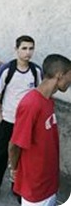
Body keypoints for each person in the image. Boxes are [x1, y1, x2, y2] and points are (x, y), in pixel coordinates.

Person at [0, 35, 42, 204]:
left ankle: (18, 188)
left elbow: (39, 96)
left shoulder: (36, 71)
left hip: (27, 123)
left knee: (22, 158)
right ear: (16, 49)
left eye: (31, 48)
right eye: (24, 48)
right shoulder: (7, 70)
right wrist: (0, 116)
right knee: (0, 156)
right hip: (7, 120)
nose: (28, 52)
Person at [9, 54, 71, 206]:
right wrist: (15, 170)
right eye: (70, 76)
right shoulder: (31, 104)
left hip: (49, 181)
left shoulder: (49, 100)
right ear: (59, 75)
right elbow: (14, 145)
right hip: (35, 187)